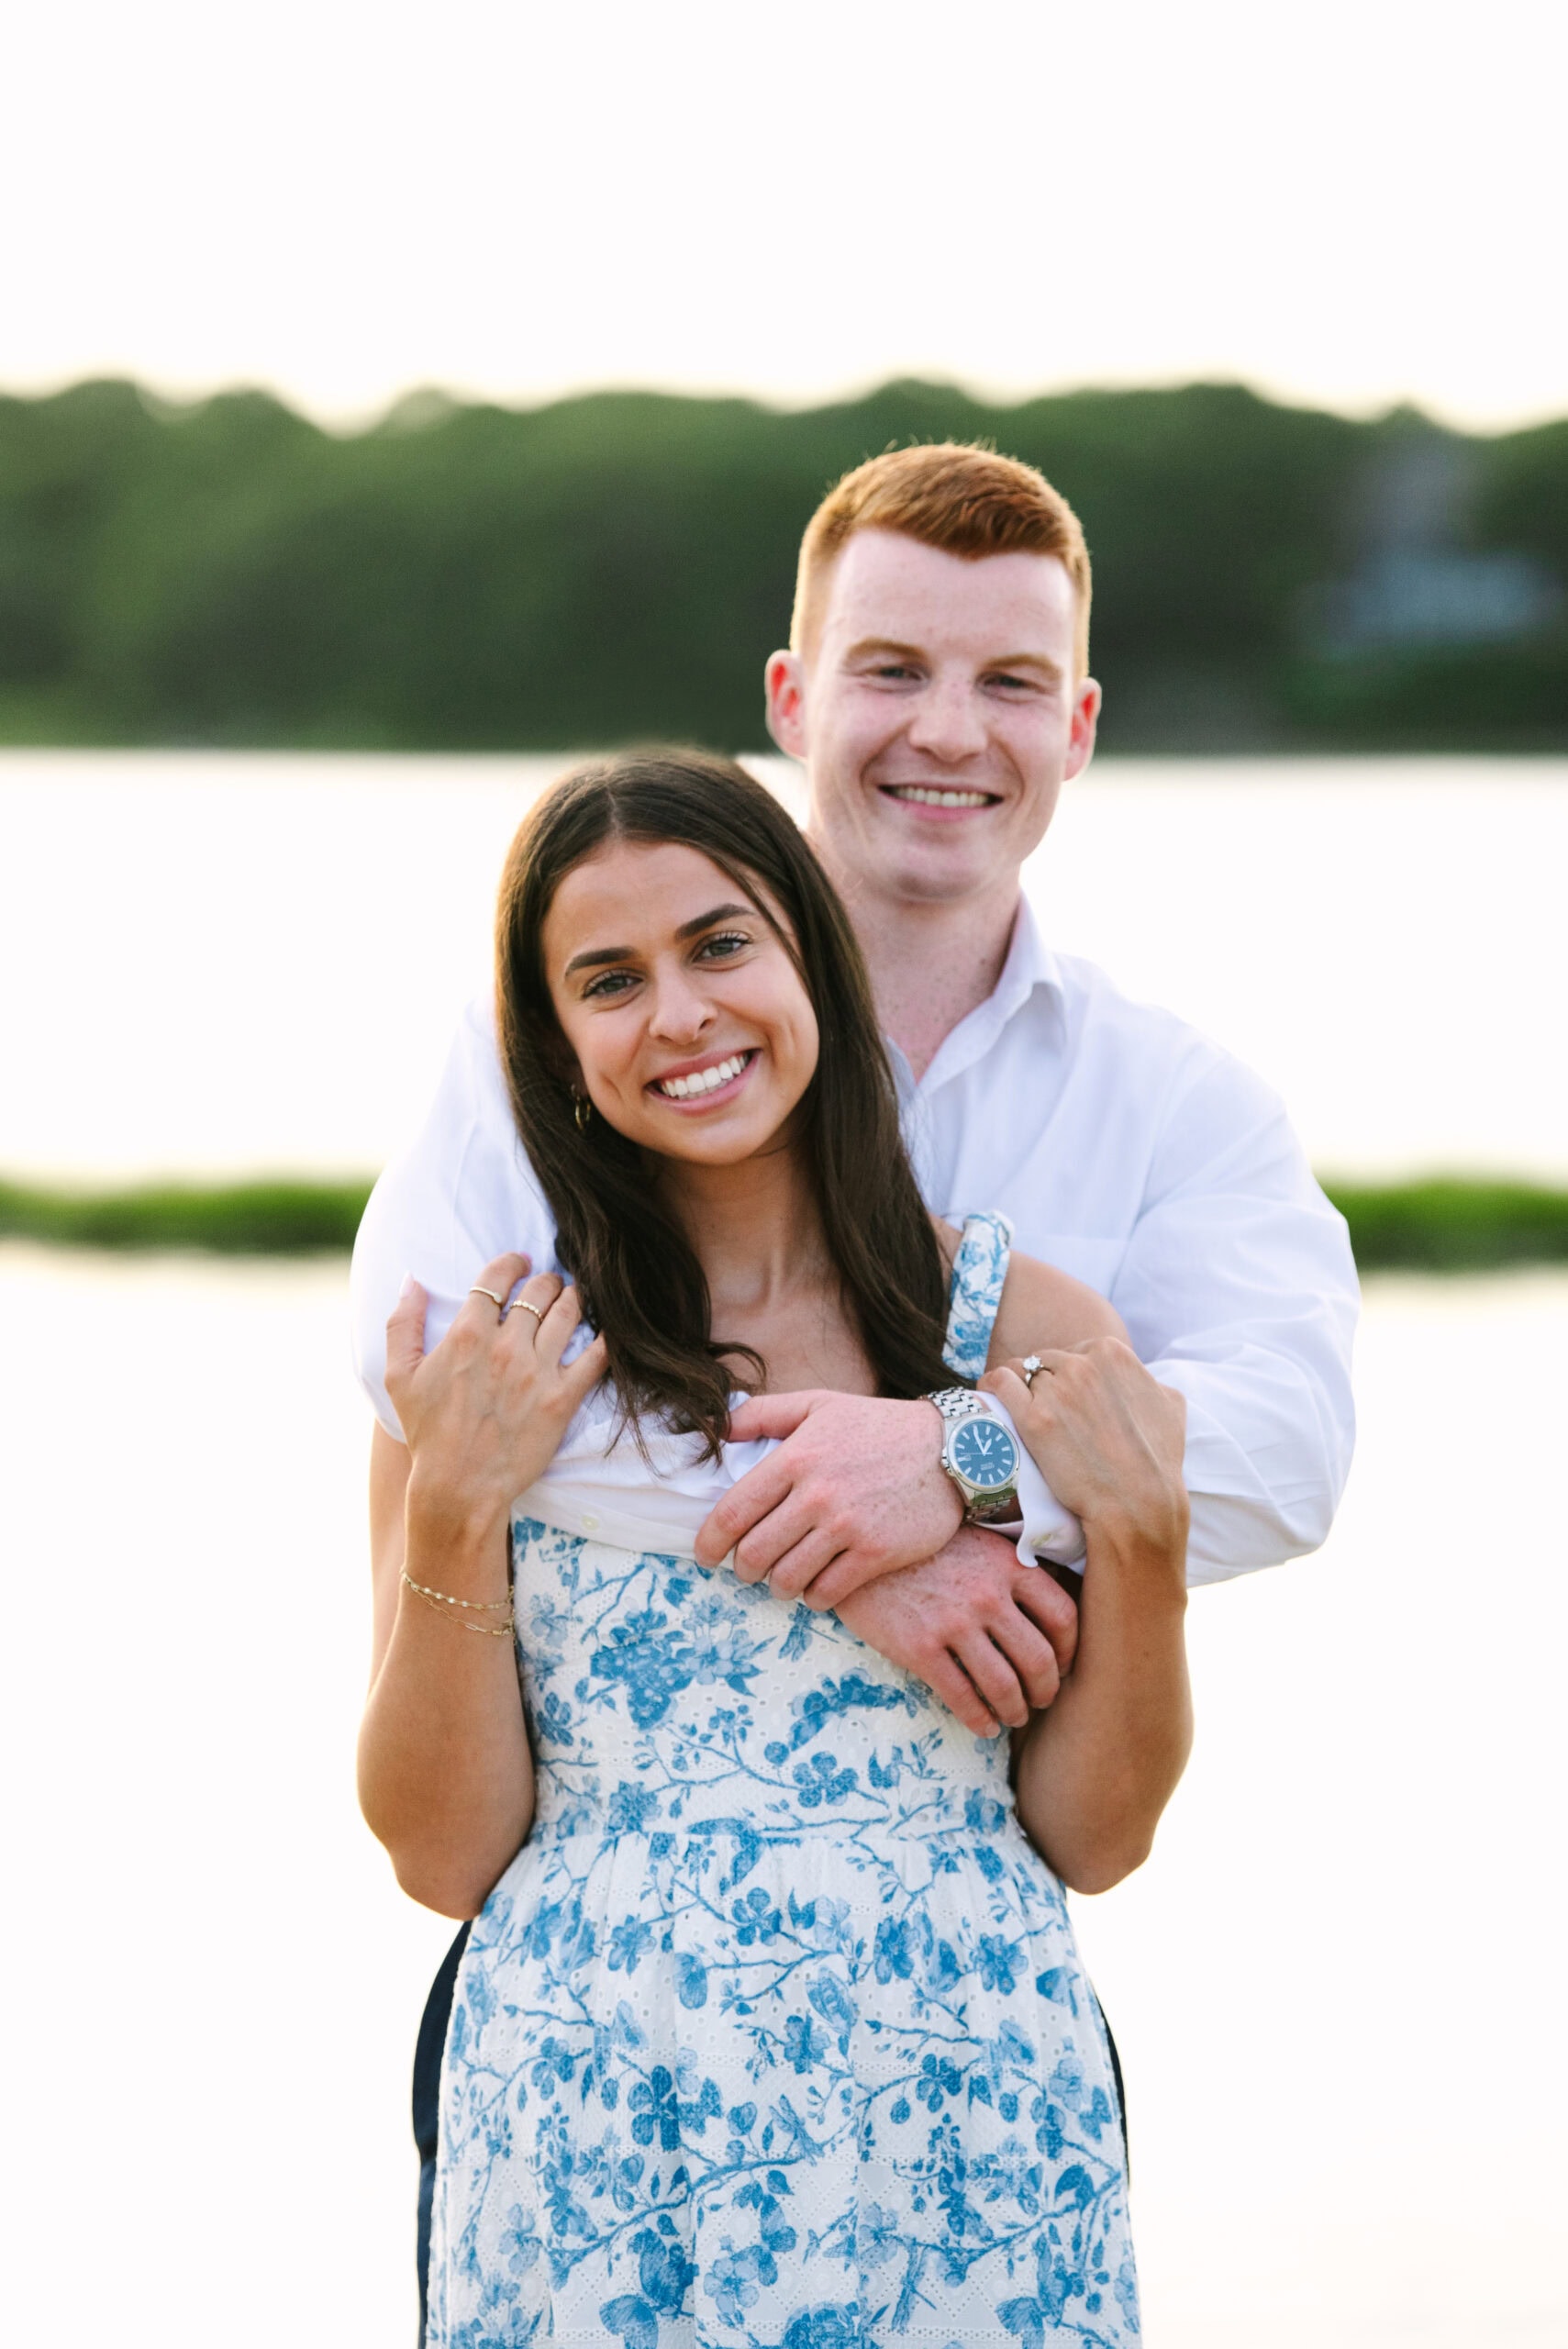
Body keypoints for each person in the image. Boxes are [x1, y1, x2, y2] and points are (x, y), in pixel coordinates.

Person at [350, 443, 1359, 2324]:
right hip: (587, 2054)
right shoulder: (549, 1049)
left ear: (1079, 722)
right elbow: (428, 1373)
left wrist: (963, 1464)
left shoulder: (1164, 1105)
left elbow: (1281, 1450)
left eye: (1005, 682)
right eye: (892, 666)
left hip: (962, 2047)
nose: (945, 732)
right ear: (796, 697)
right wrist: (856, 1542)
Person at [359, 751, 1193, 2345]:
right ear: (552, 1049)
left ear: (807, 946)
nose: (677, 1014)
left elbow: (1098, 1835)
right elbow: (435, 1852)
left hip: (964, 2094)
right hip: (601, 2102)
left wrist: (1140, 1538)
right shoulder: (504, 1362)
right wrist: (457, 1500)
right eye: (609, 981)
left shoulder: (1021, 1328)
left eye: (719, 943)